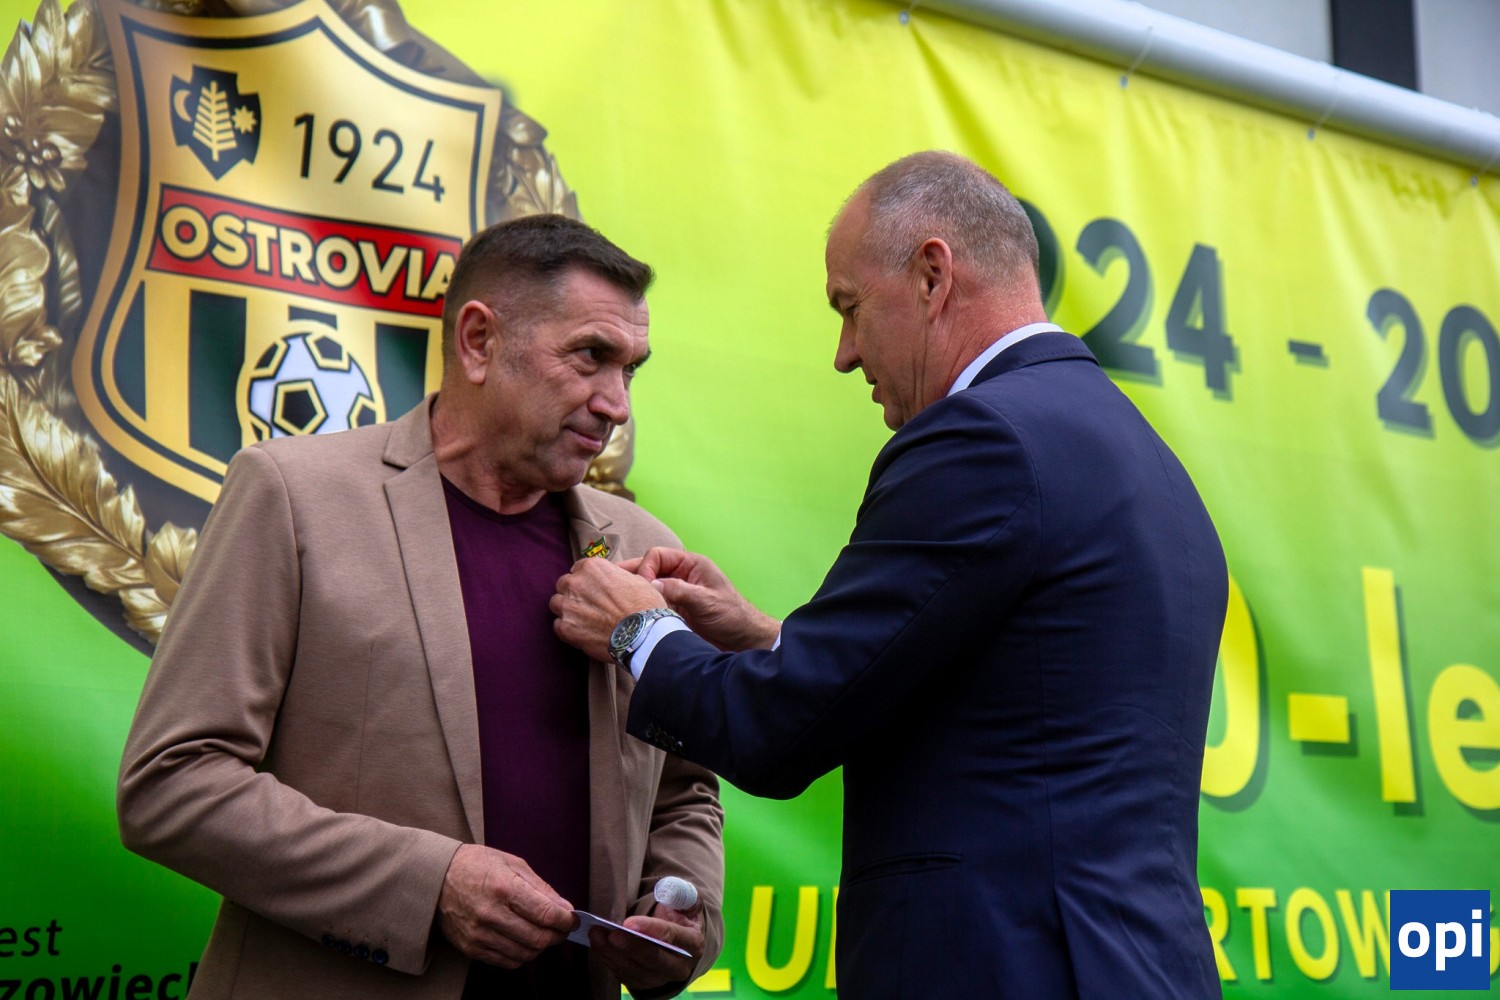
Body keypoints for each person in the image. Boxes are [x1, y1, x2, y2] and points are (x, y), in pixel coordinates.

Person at [551, 151, 1227, 998]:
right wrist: (769, 639)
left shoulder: (982, 439)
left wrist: (639, 629)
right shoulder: (1148, 460)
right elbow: (1010, 696)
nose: (844, 353)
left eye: (850, 307)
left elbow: (777, 733)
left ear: (933, 276)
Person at [117, 214, 725, 1000]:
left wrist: (682, 914)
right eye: (590, 357)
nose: (616, 405)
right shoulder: (292, 496)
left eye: (630, 371)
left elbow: (683, 790)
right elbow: (172, 785)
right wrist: (429, 884)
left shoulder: (642, 548)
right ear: (478, 341)